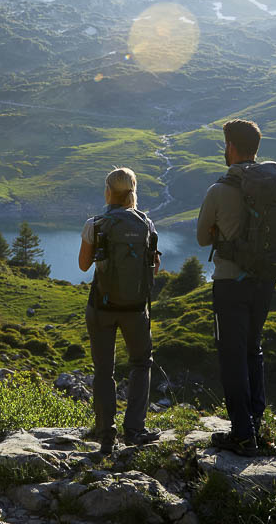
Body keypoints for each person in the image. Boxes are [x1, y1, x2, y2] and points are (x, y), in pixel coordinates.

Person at [196, 119, 273, 456]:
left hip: (229, 283)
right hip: (265, 280)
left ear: (231, 147)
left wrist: (220, 231)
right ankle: (255, 423)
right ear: (255, 149)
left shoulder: (220, 190)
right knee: (252, 348)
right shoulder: (271, 187)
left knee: (231, 356)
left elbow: (201, 238)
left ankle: (242, 435)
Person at [78, 167, 162, 454]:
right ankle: (135, 430)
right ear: (133, 192)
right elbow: (155, 266)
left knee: (104, 369)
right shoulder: (147, 224)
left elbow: (83, 264)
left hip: (101, 306)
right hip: (136, 308)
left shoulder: (96, 223)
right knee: (141, 363)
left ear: (108, 191)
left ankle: (105, 433)